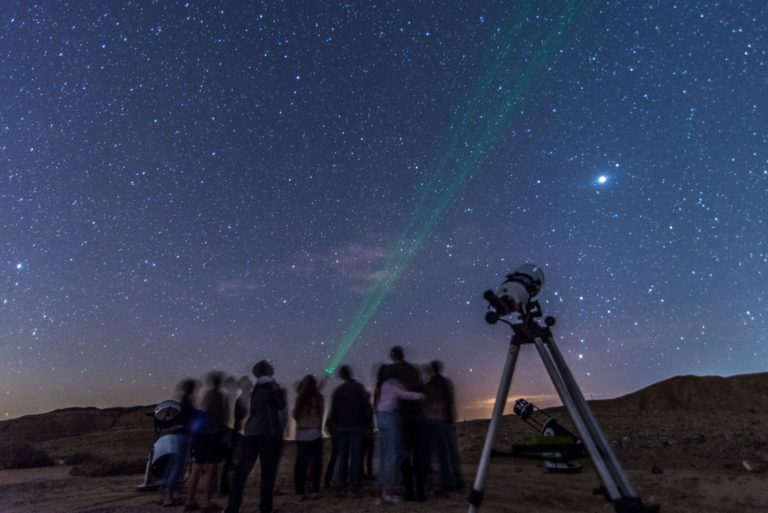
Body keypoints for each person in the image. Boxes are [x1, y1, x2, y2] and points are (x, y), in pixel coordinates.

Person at [225, 361, 287, 513]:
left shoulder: (255, 389)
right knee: (268, 473)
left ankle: (232, 507)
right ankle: (265, 508)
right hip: (269, 433)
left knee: (242, 472)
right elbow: (280, 406)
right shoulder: (272, 386)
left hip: (251, 432)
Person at [377, 345, 426, 501]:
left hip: (398, 416)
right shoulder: (413, 369)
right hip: (414, 415)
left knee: (400, 454)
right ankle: (419, 491)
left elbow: (384, 396)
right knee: (416, 454)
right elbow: (412, 390)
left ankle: (407, 490)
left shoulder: (388, 374)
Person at [186, 371, 229, 512]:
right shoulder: (219, 396)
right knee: (210, 470)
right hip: (213, 436)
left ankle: (189, 501)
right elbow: (222, 417)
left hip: (201, 436)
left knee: (196, 468)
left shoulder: (205, 396)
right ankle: (207, 503)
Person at [328, 365, 370, 497]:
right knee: (356, 457)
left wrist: (334, 425)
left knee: (343, 457)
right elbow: (365, 406)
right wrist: (366, 424)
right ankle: (355, 487)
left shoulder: (338, 391)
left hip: (341, 427)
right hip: (356, 426)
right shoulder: (359, 388)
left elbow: (334, 410)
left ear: (341, 376)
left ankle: (341, 485)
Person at [423, 360, 464, 494]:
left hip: (438, 422)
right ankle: (458, 480)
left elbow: (431, 404)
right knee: (452, 453)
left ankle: (448, 483)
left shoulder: (432, 385)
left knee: (443, 455)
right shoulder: (446, 382)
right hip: (448, 420)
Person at [159, 379, 197, 508]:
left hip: (177, 435)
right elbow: (187, 419)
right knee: (178, 467)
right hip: (182, 436)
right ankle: (169, 497)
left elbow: (177, 419)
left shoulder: (183, 401)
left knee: (172, 465)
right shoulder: (188, 403)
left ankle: (165, 493)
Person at [292, 375, 325, 499]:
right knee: (317, 463)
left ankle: (300, 491)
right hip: (315, 433)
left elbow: (296, 416)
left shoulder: (299, 399)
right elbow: (321, 414)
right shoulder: (319, 398)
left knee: (301, 463)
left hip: (301, 434)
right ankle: (314, 490)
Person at [220, 375, 253, 495]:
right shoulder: (244, 398)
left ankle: (228, 486)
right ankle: (227, 487)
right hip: (242, 432)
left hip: (242, 431)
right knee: (234, 461)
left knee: (234, 461)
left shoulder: (244, 398)